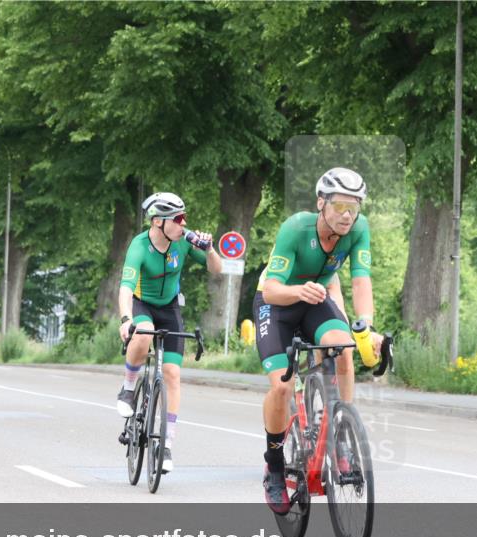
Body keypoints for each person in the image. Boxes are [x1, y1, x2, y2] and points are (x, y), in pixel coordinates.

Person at [252, 168, 383, 513]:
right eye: (339, 206)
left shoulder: (359, 229)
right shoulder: (296, 227)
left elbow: (361, 280)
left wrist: (366, 326)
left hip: (315, 300)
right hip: (277, 303)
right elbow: (271, 289)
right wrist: (299, 290)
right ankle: (274, 465)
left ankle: (342, 432)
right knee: (282, 387)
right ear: (321, 202)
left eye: (354, 207)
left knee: (344, 348)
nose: (347, 215)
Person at [116, 192, 222, 472]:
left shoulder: (184, 241)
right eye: (177, 218)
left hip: (170, 307)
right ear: (157, 222)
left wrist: (210, 249)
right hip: (142, 304)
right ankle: (128, 388)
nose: (183, 223)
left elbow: (216, 269)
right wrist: (126, 319)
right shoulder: (139, 246)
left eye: (183, 217)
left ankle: (165, 445)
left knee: (173, 374)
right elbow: (126, 288)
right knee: (144, 333)